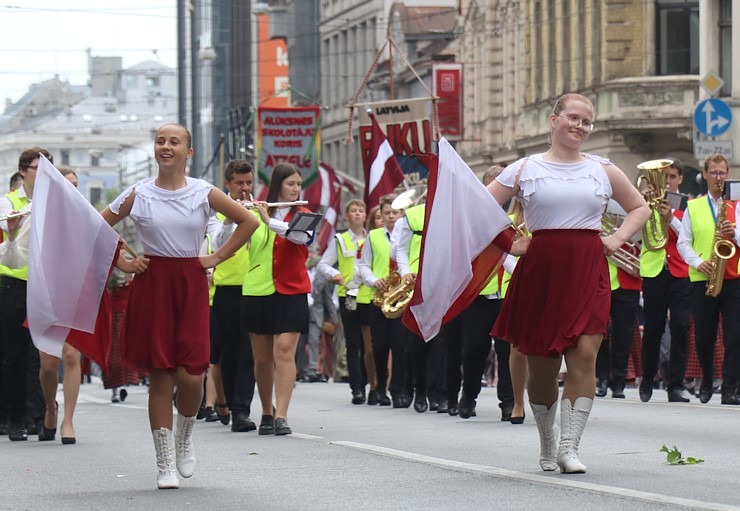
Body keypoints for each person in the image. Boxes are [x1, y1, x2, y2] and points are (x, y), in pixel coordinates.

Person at [487, 93, 649, 474]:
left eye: (586, 121)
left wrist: (618, 238)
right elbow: (478, 208)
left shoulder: (603, 169)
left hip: (587, 267)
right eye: (573, 118)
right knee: (542, 366)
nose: (579, 126)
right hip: (541, 271)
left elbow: (639, 207)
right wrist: (509, 243)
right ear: (553, 120)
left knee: (585, 354)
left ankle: (569, 447)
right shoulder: (525, 168)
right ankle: (547, 440)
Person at [102, 123, 258, 489]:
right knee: (160, 374)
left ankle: (184, 436)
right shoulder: (137, 193)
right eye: (160, 141)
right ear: (155, 150)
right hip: (153, 282)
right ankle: (164, 463)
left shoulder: (204, 192)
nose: (166, 147)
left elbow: (248, 221)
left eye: (174, 142)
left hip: (190, 283)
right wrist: (123, 261)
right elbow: (96, 226)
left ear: (189, 152)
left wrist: (215, 257)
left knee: (192, 374)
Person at [242, 163, 313, 437]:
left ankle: (282, 414)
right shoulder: (255, 211)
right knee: (261, 358)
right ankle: (267, 411)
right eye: (291, 184)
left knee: (284, 349)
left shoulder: (305, 214)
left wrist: (268, 221)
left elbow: (300, 237)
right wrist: (232, 217)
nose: (296, 189)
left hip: (292, 289)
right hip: (258, 289)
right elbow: (230, 238)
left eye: (298, 184)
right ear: (277, 186)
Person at [677, 153, 740, 405]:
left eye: (722, 173)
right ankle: (706, 378)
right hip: (703, 276)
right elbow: (683, 243)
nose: (718, 178)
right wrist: (697, 262)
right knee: (704, 335)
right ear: (705, 174)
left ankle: (730, 387)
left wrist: (734, 232)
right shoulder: (694, 206)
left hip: (734, 277)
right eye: (713, 173)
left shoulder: (737, 204)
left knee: (735, 335)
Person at [0, 147, 54, 442]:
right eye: (38, 168)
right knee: (14, 354)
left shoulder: (55, 204)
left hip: (45, 286)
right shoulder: (7, 204)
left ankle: (38, 414)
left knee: (42, 354)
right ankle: (14, 417)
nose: (44, 174)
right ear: (23, 172)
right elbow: (7, 258)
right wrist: (11, 234)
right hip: (14, 285)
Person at [207, 160, 257, 432]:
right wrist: (231, 217)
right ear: (228, 184)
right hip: (226, 288)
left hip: (254, 287)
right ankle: (224, 401)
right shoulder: (216, 211)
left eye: (248, 183)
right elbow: (217, 244)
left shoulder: (257, 208)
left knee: (248, 352)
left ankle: (241, 410)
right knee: (228, 351)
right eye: (239, 183)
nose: (245, 188)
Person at [638, 159, 692, 402]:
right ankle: (647, 379)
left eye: (671, 176)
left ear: (680, 178)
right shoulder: (645, 202)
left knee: (681, 326)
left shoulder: (689, 204)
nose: (667, 181)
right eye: (664, 176)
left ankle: (676, 385)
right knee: (653, 328)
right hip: (655, 270)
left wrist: (670, 218)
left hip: (681, 271)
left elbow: (688, 236)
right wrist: (642, 206)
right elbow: (637, 234)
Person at [37, 166, 83, 444]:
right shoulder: (40, 217)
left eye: (76, 185)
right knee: (48, 364)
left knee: (72, 355)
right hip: (46, 293)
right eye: (68, 185)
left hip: (77, 293)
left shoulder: (85, 217)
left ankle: (68, 420)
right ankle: (50, 406)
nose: (73, 190)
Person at [356, 194, 410, 407]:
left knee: (399, 346)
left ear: (401, 214)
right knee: (378, 345)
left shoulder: (407, 235)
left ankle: (397, 390)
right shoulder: (374, 236)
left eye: (394, 213)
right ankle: (379, 386)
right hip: (379, 298)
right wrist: (373, 280)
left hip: (400, 297)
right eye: (386, 213)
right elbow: (363, 265)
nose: (390, 217)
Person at [318, 199, 368, 404]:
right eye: (353, 211)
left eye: (360, 211)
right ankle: (357, 388)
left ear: (365, 215)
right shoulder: (340, 239)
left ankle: (370, 382)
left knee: (369, 343)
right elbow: (323, 264)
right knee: (353, 342)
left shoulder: (372, 238)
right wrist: (334, 274)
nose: (357, 214)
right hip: (348, 294)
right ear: (347, 216)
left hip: (368, 294)